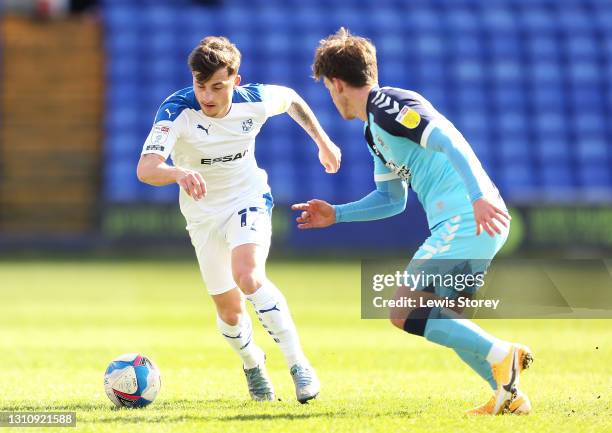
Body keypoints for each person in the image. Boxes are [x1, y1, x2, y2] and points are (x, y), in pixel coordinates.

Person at [292, 28, 533, 415]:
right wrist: (337, 214)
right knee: (448, 318)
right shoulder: (373, 132)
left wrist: (477, 197)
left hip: (467, 219)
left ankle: (503, 353)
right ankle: (510, 396)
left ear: (336, 83)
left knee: (402, 310)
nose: (330, 95)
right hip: (465, 224)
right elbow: (392, 201)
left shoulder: (389, 104)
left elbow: (449, 140)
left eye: (326, 87)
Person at [137, 36, 341, 403]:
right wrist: (178, 174)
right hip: (202, 215)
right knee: (230, 313)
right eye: (201, 86)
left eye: (218, 86)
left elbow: (292, 99)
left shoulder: (255, 100)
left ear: (236, 81)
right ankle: (253, 366)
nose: (208, 96)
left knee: (248, 275)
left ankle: (299, 365)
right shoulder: (177, 110)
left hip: (247, 198)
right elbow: (146, 169)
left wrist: (323, 141)